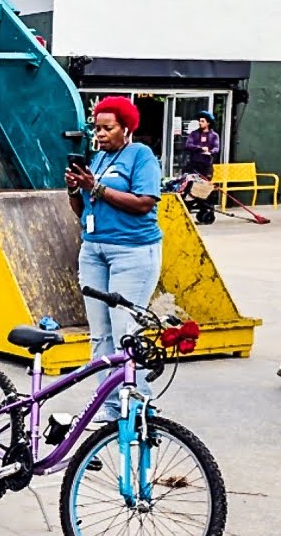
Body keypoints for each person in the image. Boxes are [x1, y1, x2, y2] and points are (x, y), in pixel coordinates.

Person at [66, 96, 163, 421]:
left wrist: (96, 189)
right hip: (94, 250)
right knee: (100, 335)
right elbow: (84, 211)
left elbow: (144, 203)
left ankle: (139, 411)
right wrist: (74, 190)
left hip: (132, 253)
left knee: (126, 331)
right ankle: (108, 411)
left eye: (108, 128)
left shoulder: (141, 156)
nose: (101, 134)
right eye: (97, 128)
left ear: (126, 128)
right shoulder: (97, 160)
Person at [183, 111, 220, 179]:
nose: (200, 123)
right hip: (194, 164)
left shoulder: (214, 135)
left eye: (202, 121)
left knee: (205, 185)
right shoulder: (194, 134)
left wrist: (210, 152)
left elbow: (216, 148)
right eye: (199, 121)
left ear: (208, 123)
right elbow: (188, 145)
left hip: (206, 165)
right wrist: (200, 148)